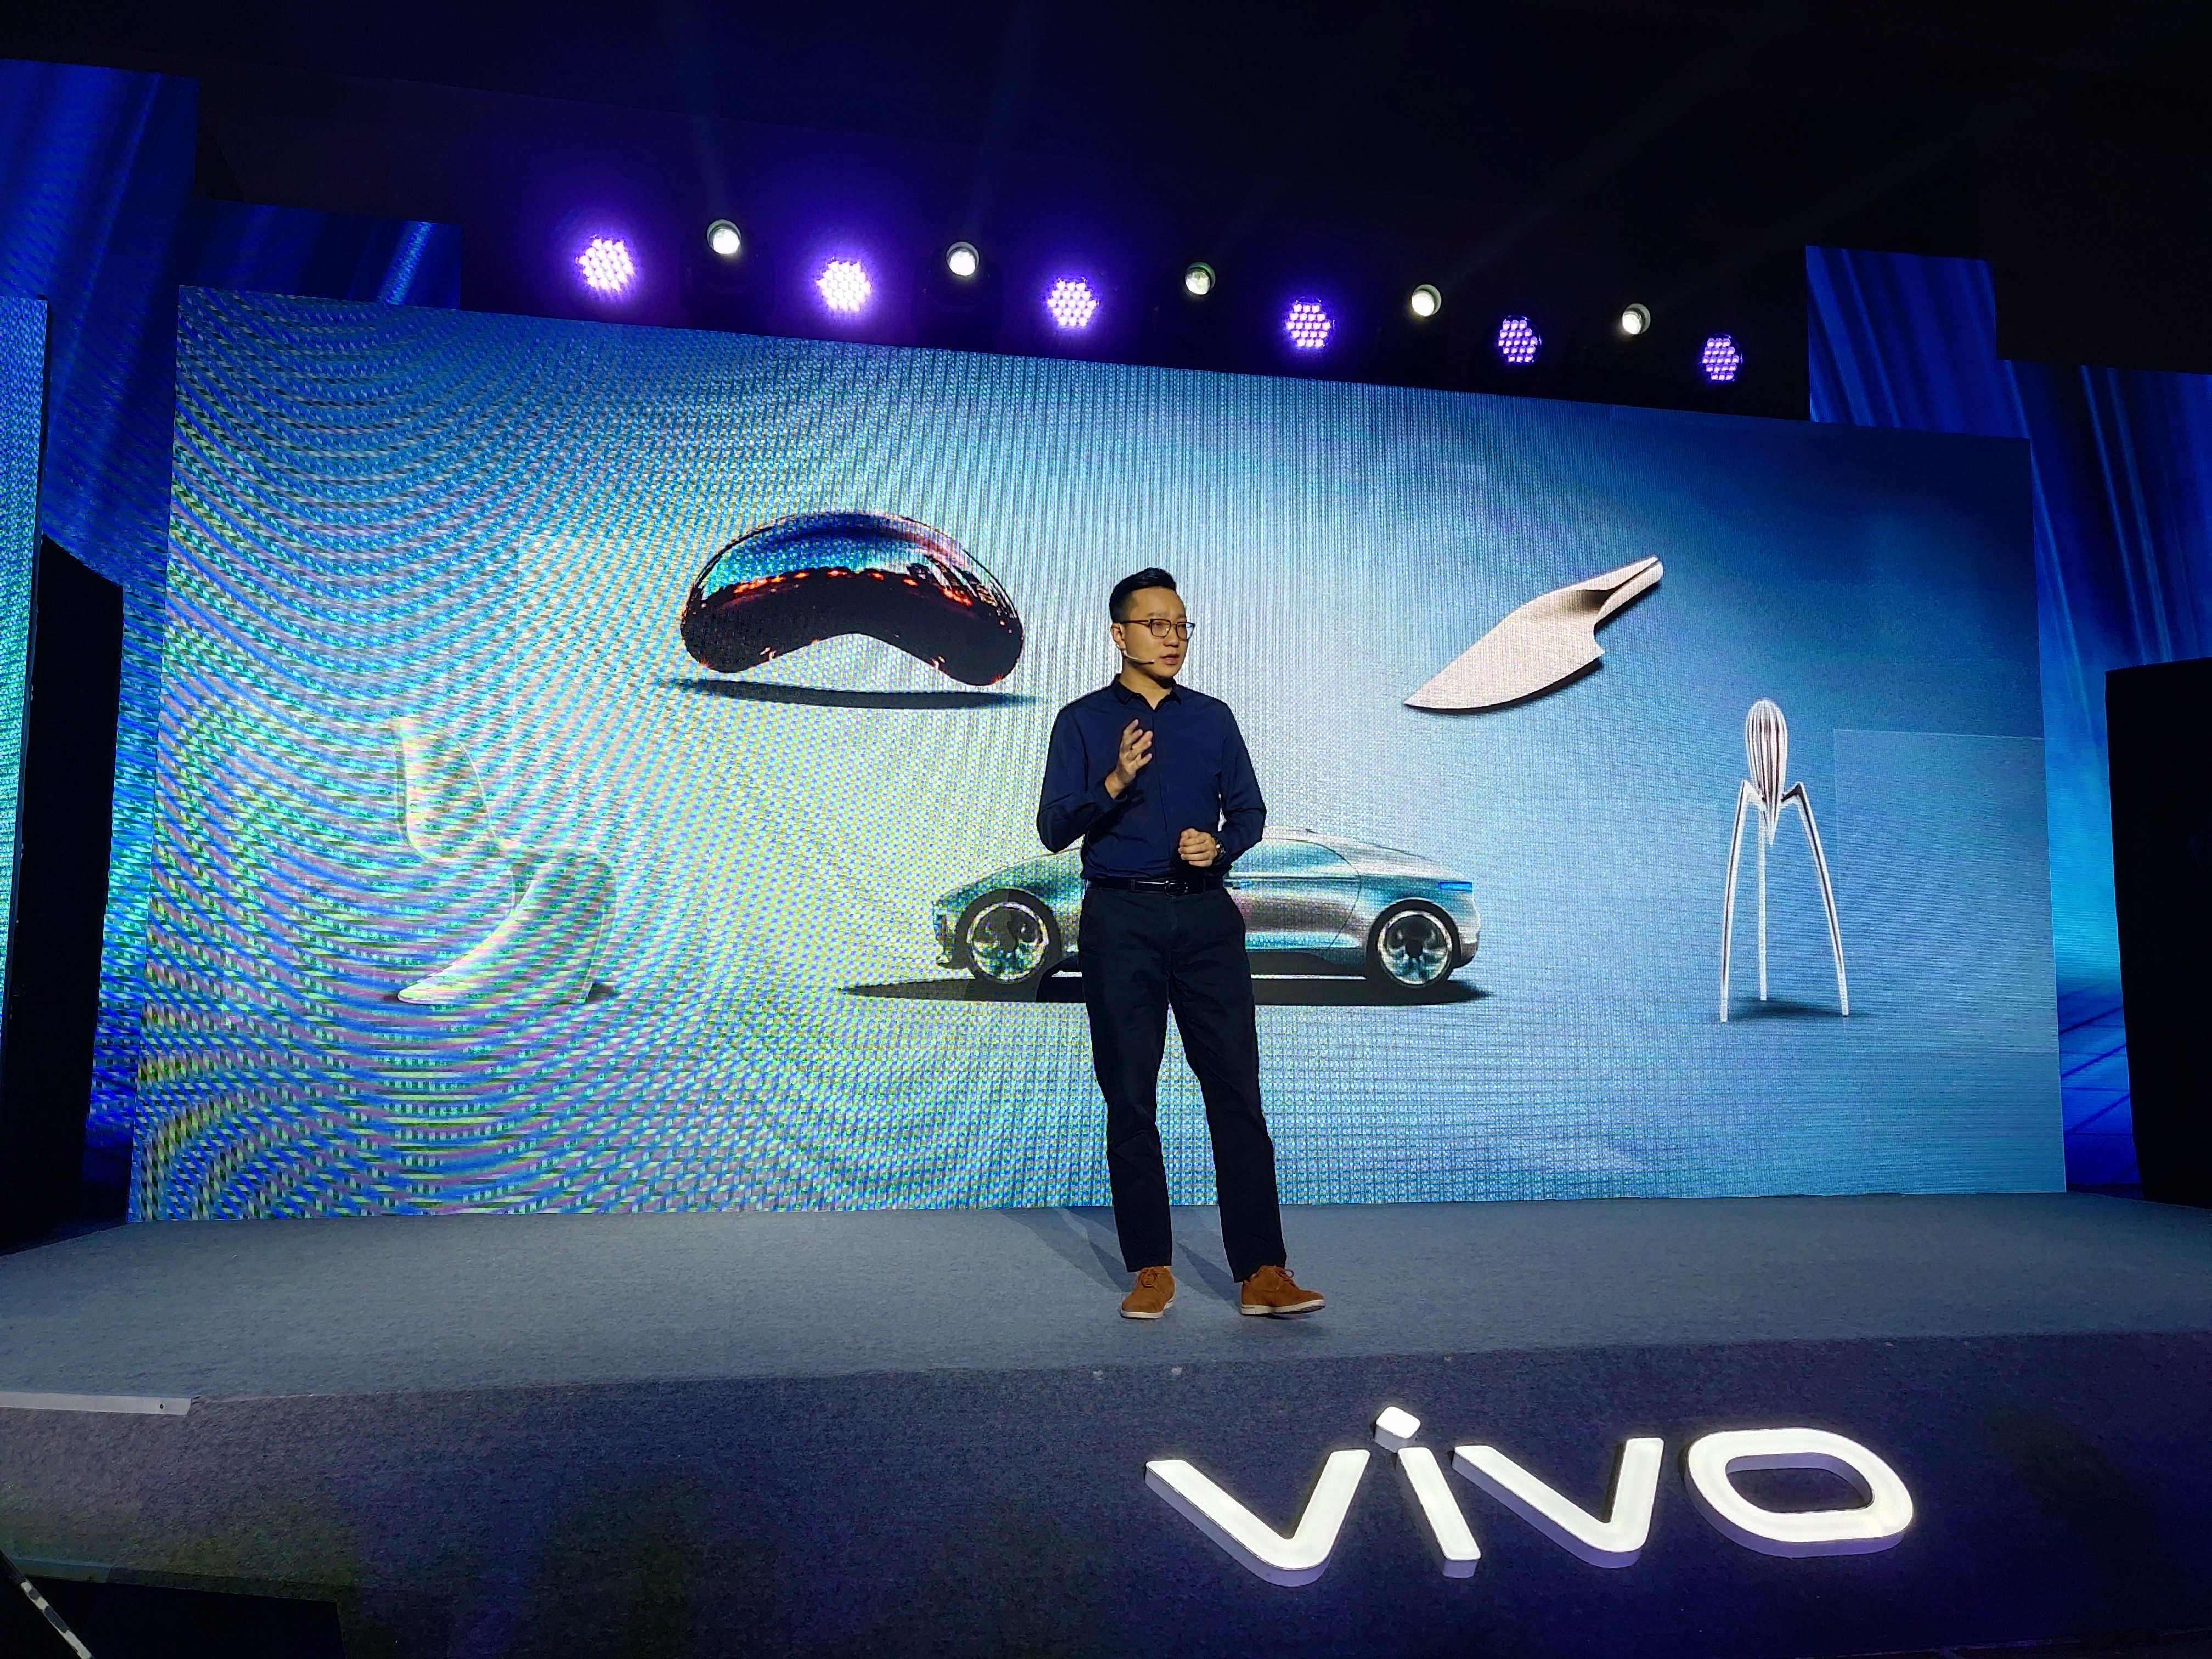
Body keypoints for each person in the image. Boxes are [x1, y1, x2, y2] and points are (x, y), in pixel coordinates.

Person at [1037, 568, 1325, 1321]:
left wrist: (1220, 845)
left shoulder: (1214, 718)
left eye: (1182, 626)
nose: (1173, 639)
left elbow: (1251, 812)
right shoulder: (1081, 721)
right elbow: (1053, 828)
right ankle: (1151, 1268)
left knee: (1236, 1094)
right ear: (1119, 634)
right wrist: (1114, 782)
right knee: (1131, 1097)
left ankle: (1263, 1270)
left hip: (1205, 920)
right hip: (1120, 920)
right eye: (1157, 625)